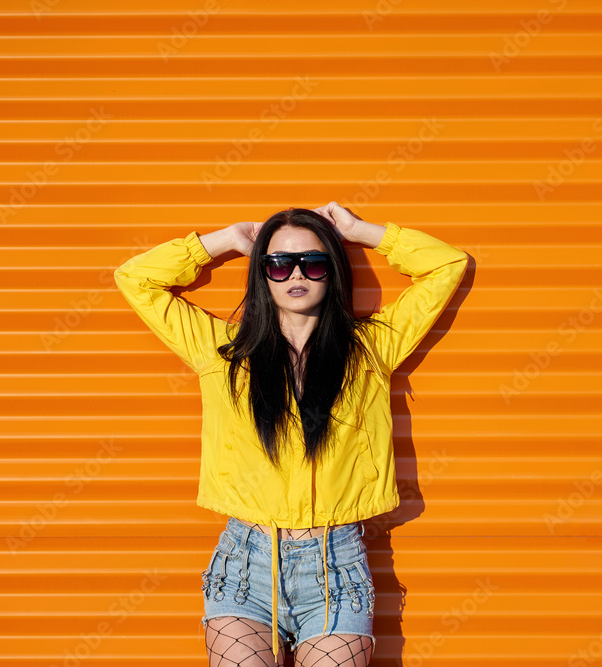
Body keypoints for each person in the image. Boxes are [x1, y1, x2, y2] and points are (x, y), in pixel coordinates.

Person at [114, 202, 469, 666]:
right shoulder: (221, 354)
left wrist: (361, 231)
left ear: (333, 271)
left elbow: (446, 265)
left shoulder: (372, 350)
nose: (296, 274)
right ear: (261, 273)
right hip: (244, 565)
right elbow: (135, 278)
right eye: (278, 263)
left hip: (335, 567)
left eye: (314, 262)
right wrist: (225, 239)